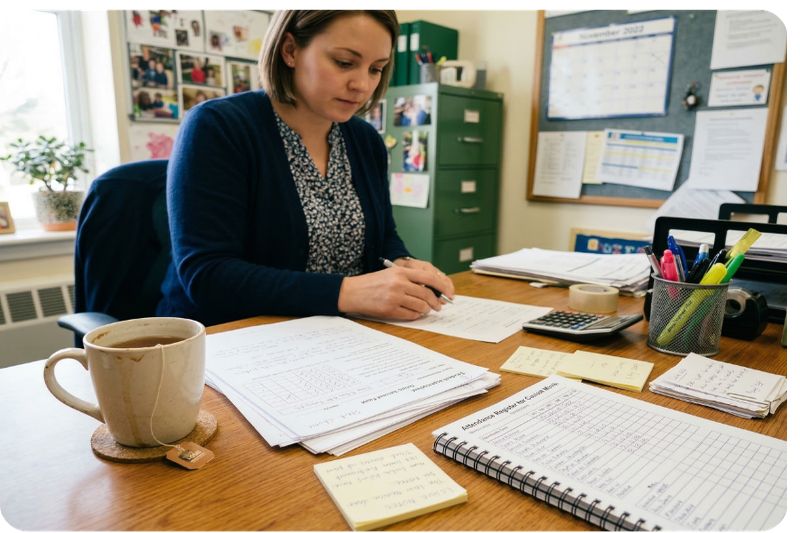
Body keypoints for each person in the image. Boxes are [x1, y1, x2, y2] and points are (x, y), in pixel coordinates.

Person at [158, 10, 454, 326]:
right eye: (344, 63)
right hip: (232, 337)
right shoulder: (217, 127)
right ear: (290, 50)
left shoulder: (365, 140)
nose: (362, 84)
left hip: (342, 333)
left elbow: (383, 237)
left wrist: (402, 264)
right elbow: (208, 275)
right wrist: (347, 292)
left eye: (376, 69)